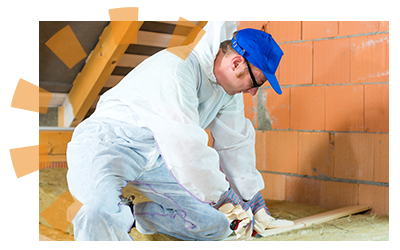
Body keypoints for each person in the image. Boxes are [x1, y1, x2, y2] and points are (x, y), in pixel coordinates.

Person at [66, 21, 293, 241]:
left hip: (159, 156)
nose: (253, 92)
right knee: (97, 211)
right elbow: (185, 147)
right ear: (236, 64)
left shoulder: (227, 92)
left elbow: (235, 144)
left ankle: (133, 215)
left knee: (218, 224)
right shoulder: (176, 68)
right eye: (256, 83)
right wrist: (227, 198)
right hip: (109, 143)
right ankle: (113, 213)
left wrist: (253, 201)